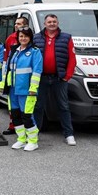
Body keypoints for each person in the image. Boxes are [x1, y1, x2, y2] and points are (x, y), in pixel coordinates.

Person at [33, 13, 77, 146]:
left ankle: (69, 134)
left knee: (63, 106)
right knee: (38, 106)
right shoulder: (36, 38)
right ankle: (34, 133)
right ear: (44, 24)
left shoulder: (66, 37)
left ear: (57, 23)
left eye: (54, 21)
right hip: (41, 78)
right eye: (49, 22)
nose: (52, 23)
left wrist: (67, 76)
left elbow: (72, 59)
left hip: (59, 78)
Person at [2, 27, 42, 151]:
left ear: (30, 37)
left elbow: (37, 70)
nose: (23, 38)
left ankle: (33, 141)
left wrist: (33, 88)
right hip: (13, 89)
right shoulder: (15, 50)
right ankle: (21, 139)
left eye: (25, 36)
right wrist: (4, 85)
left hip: (27, 90)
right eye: (20, 36)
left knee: (27, 116)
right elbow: (8, 69)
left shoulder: (35, 52)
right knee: (15, 115)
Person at [2, 16, 29, 135]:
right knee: (12, 105)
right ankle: (13, 125)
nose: (16, 26)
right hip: (11, 79)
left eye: (19, 24)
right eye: (15, 24)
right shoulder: (10, 38)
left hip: (24, 81)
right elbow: (6, 57)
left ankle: (27, 129)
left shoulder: (30, 40)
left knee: (25, 108)